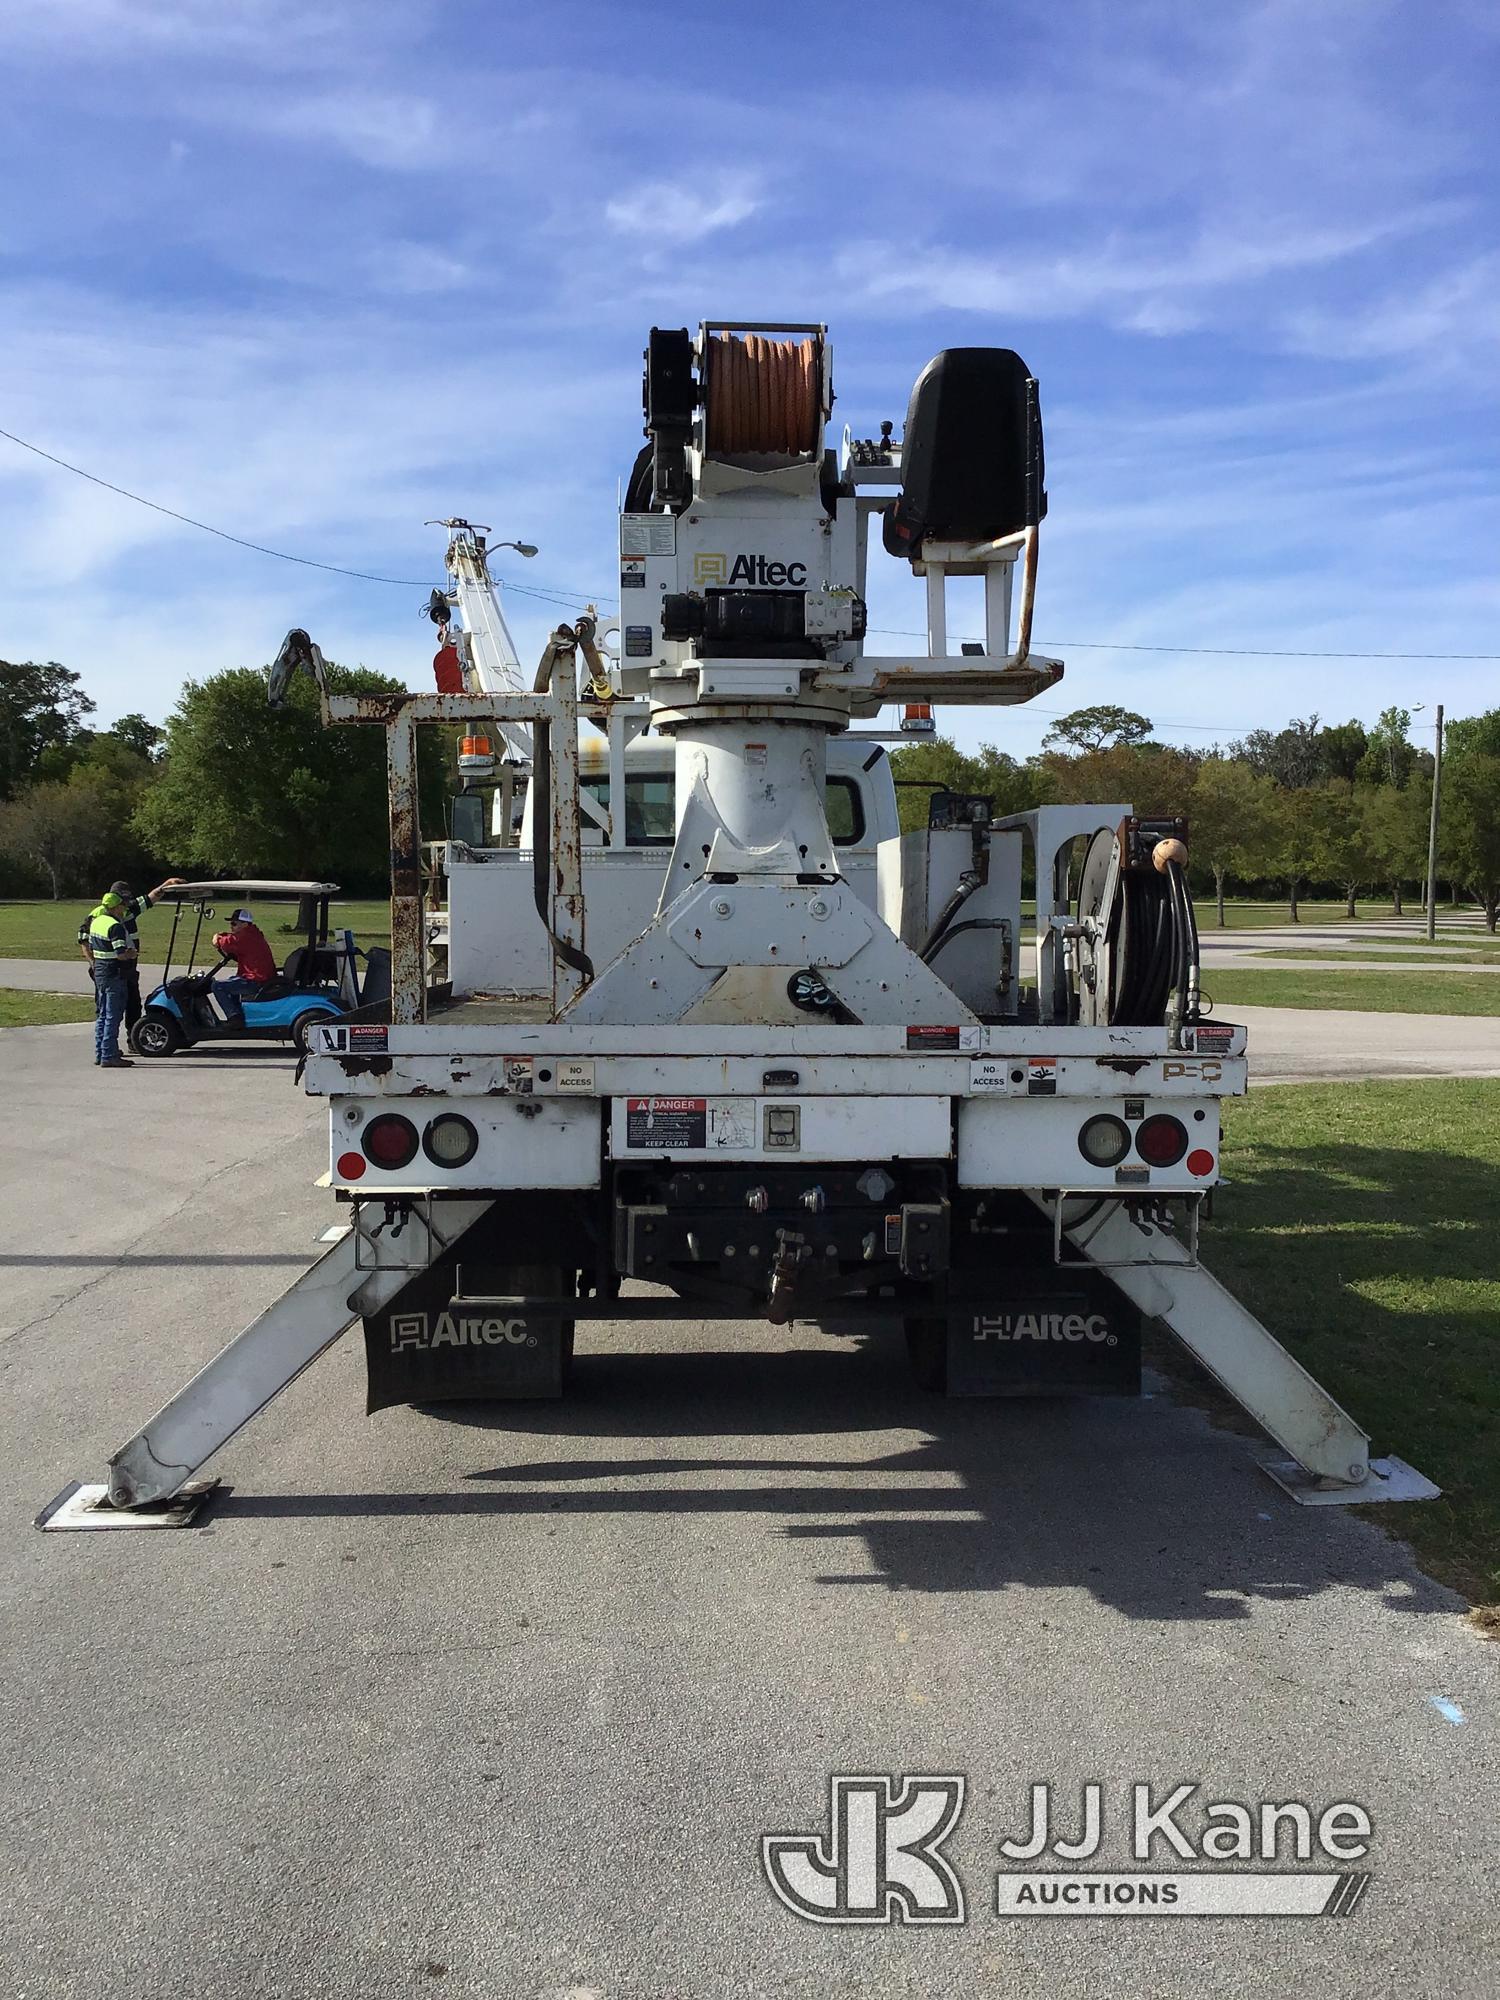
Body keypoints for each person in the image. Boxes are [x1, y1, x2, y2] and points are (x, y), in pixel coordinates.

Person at [78, 876, 184, 1030]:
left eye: (127, 900)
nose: (126, 904)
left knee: (133, 1003)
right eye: (123, 901)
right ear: (115, 900)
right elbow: (84, 941)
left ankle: (133, 1039)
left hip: (128, 968)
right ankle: (107, 1049)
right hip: (108, 969)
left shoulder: (127, 909)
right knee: (108, 1009)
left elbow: (150, 898)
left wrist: (166, 885)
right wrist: (94, 964)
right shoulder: (96, 916)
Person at [83, 891, 137, 1068]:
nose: (124, 909)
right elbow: (120, 954)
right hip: (114, 972)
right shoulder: (116, 927)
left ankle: (100, 1052)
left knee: (102, 1014)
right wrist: (131, 953)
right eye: (122, 905)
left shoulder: (96, 922)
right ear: (115, 907)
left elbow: (90, 946)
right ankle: (109, 1054)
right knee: (113, 1015)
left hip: (99, 971)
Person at [211, 907, 278, 1018]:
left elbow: (225, 943)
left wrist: (216, 938)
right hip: (258, 977)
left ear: (245, 924)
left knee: (218, 986)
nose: (231, 927)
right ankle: (238, 1014)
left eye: (234, 924)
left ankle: (234, 1017)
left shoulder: (245, 936)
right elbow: (232, 940)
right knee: (231, 981)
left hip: (256, 980)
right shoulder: (252, 934)